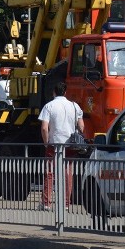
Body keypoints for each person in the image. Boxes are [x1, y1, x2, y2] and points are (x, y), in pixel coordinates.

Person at [38, 81, 84, 211]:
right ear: (65, 92)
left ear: (54, 92)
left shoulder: (49, 106)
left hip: (54, 145)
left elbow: (44, 128)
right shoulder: (75, 106)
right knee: (67, 174)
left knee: (49, 173)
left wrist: (47, 143)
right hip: (69, 145)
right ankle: (65, 204)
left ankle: (46, 203)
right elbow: (81, 126)